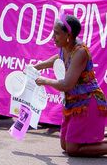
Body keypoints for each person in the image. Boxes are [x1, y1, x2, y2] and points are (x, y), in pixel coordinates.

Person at [33, 14, 107, 157]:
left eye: (56, 33)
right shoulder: (65, 46)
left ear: (69, 34)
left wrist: (44, 80)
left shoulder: (80, 52)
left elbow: (67, 85)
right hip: (73, 103)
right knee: (65, 146)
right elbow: (58, 58)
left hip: (88, 103)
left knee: (72, 149)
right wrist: (36, 66)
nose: (53, 36)